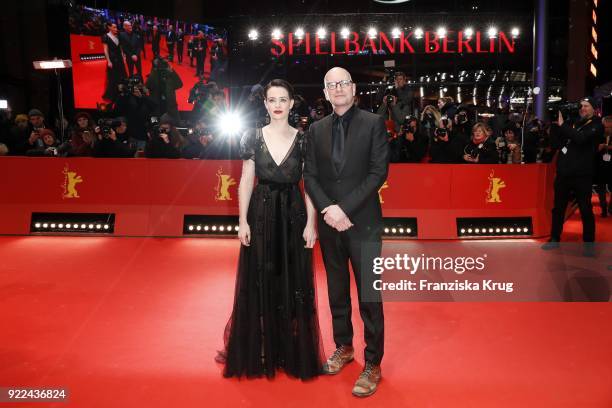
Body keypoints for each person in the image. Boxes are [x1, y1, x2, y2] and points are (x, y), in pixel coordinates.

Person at [218, 79, 323, 380]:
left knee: (292, 283)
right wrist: (242, 221)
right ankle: (261, 346)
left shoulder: (304, 140)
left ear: (292, 104)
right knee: (260, 279)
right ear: (265, 104)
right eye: (272, 100)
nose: (277, 105)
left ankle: (288, 350)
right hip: (261, 214)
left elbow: (310, 186)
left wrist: (311, 224)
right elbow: (245, 181)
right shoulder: (252, 136)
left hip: (293, 215)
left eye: (283, 99)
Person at [304, 67, 389, 397]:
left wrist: (344, 209)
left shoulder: (373, 123)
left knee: (370, 294)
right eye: (331, 85)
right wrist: (328, 209)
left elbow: (377, 173)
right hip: (330, 225)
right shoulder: (315, 129)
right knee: (336, 288)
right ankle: (344, 346)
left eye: (343, 83)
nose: (337, 88)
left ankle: (373, 362)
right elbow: (310, 176)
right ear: (325, 93)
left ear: (353, 88)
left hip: (363, 223)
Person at [542, 97, 603, 256]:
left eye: (586, 106)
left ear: (593, 109)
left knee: (585, 209)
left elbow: (581, 139)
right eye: (580, 106)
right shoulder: (572, 122)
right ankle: (555, 238)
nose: (582, 108)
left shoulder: (597, 125)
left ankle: (589, 245)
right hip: (563, 174)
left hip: (583, 175)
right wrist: (555, 126)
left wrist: (563, 126)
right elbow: (556, 143)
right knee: (558, 208)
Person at [102, 22, 127, 102]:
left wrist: (123, 55)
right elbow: (105, 50)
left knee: (122, 75)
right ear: (109, 27)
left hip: (119, 58)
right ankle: (113, 94)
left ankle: (122, 92)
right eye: (114, 27)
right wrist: (108, 61)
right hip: (112, 60)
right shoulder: (106, 36)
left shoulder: (118, 35)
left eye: (116, 27)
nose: (116, 29)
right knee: (113, 78)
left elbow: (120, 47)